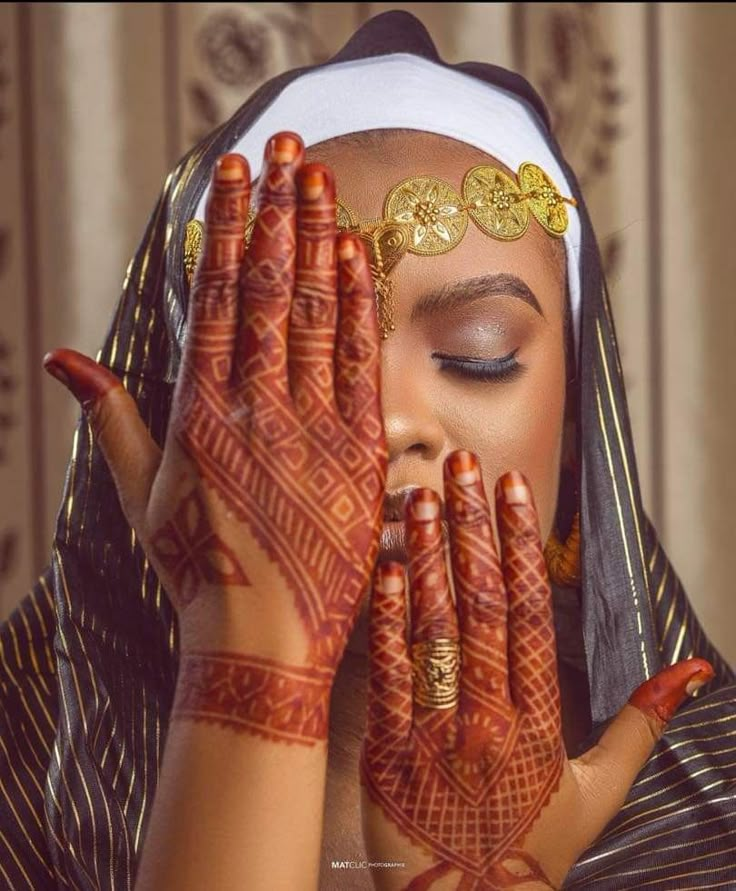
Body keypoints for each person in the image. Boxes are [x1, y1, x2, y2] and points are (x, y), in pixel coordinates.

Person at [1, 10, 734, 890]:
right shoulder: (27, 768)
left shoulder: (715, 820)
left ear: (579, 430)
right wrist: (253, 670)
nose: (382, 425)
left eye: (478, 355)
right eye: (279, 364)